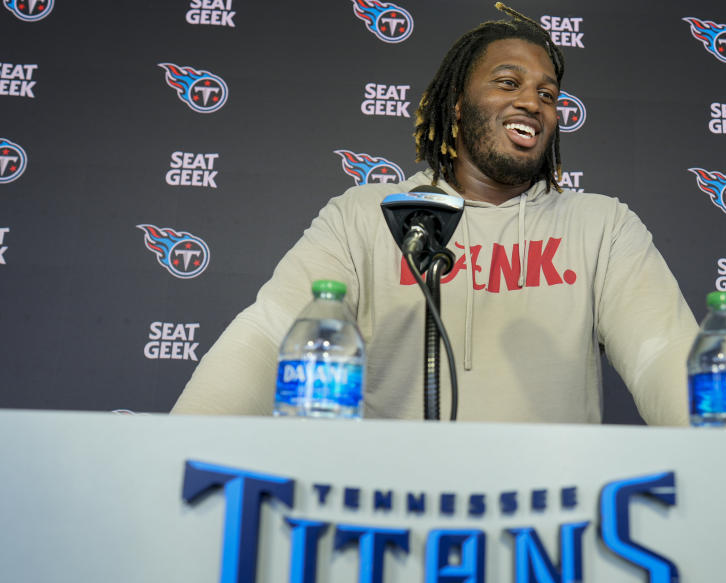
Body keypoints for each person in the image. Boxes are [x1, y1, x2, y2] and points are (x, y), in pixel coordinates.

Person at [171, 4, 698, 425]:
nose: (533, 103)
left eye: (547, 94)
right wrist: (174, 455)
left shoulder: (603, 227)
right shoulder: (368, 215)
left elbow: (664, 356)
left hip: (549, 527)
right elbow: (271, 338)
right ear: (459, 104)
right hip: (388, 522)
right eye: (508, 83)